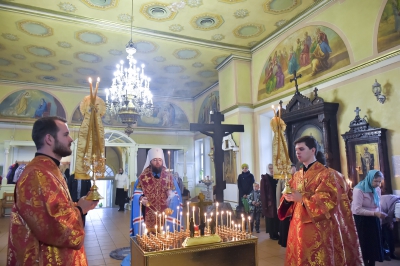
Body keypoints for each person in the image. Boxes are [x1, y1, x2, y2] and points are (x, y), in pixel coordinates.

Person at [7, 116, 98, 265]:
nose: (71, 139)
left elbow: (54, 211)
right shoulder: (37, 174)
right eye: (65, 134)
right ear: (49, 139)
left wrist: (79, 205)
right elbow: (54, 225)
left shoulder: (49, 169)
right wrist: (80, 209)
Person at [278, 136, 345, 265]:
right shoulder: (296, 175)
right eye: (296, 149)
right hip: (296, 225)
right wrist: (287, 199)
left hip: (316, 228)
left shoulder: (327, 174)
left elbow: (328, 201)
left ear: (313, 150)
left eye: (301, 149)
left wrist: (302, 199)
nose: (297, 152)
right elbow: (288, 196)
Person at [316, 151, 363, 265]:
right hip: (344, 213)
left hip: (330, 215)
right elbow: (350, 195)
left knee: (330, 244)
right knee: (345, 240)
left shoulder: (322, 176)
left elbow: (322, 202)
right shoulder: (337, 174)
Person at [130, 148, 182, 236]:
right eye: (155, 160)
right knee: (148, 242)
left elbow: (178, 197)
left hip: (165, 215)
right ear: (150, 161)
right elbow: (136, 196)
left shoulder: (169, 178)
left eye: (159, 160)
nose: (157, 162)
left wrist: (172, 196)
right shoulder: (142, 178)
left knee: (165, 240)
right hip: (147, 215)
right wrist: (141, 198)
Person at [352, 170, 387, 265]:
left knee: (374, 246)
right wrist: (375, 214)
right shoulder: (358, 190)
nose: (378, 184)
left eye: (380, 181)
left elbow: (378, 205)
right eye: (376, 181)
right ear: (369, 178)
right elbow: (357, 209)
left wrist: (379, 216)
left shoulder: (377, 189)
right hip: (362, 221)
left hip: (373, 220)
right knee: (364, 247)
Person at [276, 164, 296, 247]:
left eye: (294, 169)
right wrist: (279, 205)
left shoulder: (298, 178)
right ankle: (283, 241)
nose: (293, 170)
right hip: (285, 203)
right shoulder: (283, 178)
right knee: (284, 224)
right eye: (291, 169)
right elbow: (278, 192)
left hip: (294, 204)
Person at [260, 163, 279, 240]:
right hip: (269, 201)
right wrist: (265, 203)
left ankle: (276, 232)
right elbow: (263, 192)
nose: (272, 170)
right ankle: (272, 234)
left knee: (276, 217)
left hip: (276, 199)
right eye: (270, 168)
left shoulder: (277, 178)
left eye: (273, 168)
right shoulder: (264, 179)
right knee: (271, 217)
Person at [381, 194, 400, 260]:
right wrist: (391, 223)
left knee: (383, 237)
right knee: (388, 236)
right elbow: (392, 216)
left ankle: (385, 253)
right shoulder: (397, 204)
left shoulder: (397, 200)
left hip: (381, 212)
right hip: (381, 215)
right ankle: (391, 254)